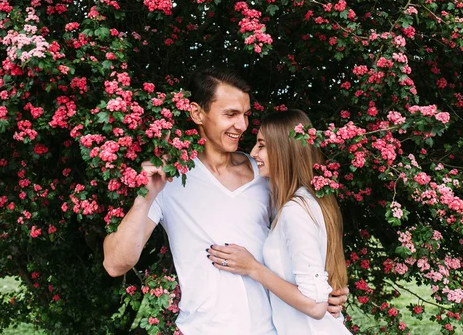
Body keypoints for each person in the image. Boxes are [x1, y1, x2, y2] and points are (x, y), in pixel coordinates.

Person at [102, 69, 348, 335]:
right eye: (230, 114)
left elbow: (303, 243)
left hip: (272, 330)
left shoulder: (265, 173)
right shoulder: (169, 179)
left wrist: (328, 290)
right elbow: (115, 264)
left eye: (245, 115)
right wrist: (144, 198)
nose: (242, 126)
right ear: (197, 113)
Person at [207, 109, 352, 335]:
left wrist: (253, 268)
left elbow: (315, 305)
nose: (253, 153)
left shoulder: (297, 210)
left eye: (262, 145)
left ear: (285, 150)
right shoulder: (305, 201)